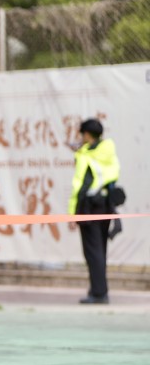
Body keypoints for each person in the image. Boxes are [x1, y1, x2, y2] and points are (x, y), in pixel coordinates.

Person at [68, 118, 121, 305]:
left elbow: (80, 185)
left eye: (82, 134)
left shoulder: (87, 155)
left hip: (89, 207)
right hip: (106, 206)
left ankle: (98, 293)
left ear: (87, 135)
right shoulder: (108, 152)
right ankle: (99, 290)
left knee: (92, 252)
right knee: (100, 251)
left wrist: (73, 213)